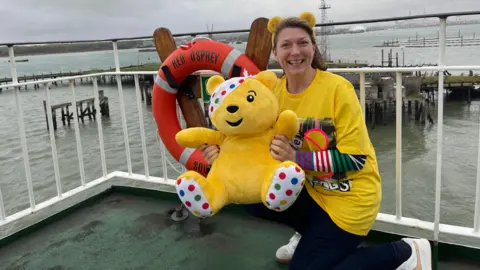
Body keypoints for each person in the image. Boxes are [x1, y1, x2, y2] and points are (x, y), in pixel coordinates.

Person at [199, 12, 431, 270]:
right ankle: (309, 233)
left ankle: (405, 252)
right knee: (251, 199)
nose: (295, 51)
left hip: (349, 199)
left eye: (302, 43)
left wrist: (296, 158)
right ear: (276, 53)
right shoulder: (271, 94)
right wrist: (221, 151)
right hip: (309, 191)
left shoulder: (337, 90)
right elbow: (247, 137)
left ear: (313, 48)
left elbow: (355, 158)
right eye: (286, 45)